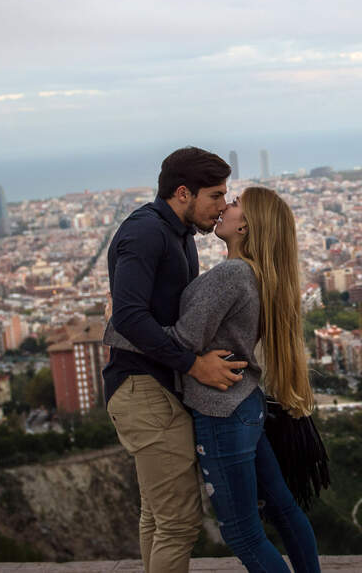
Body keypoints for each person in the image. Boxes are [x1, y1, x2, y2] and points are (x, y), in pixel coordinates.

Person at [102, 146, 248, 573]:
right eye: (215, 196)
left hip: (153, 386)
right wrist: (194, 364)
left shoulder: (178, 234)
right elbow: (129, 316)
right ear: (183, 193)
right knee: (179, 523)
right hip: (143, 387)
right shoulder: (146, 233)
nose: (222, 206)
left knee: (157, 516)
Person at [166, 186, 320, 573]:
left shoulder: (232, 274)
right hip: (246, 403)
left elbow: (183, 340)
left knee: (242, 533)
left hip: (221, 410)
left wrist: (122, 324)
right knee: (284, 509)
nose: (225, 206)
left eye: (234, 204)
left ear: (245, 226)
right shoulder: (258, 274)